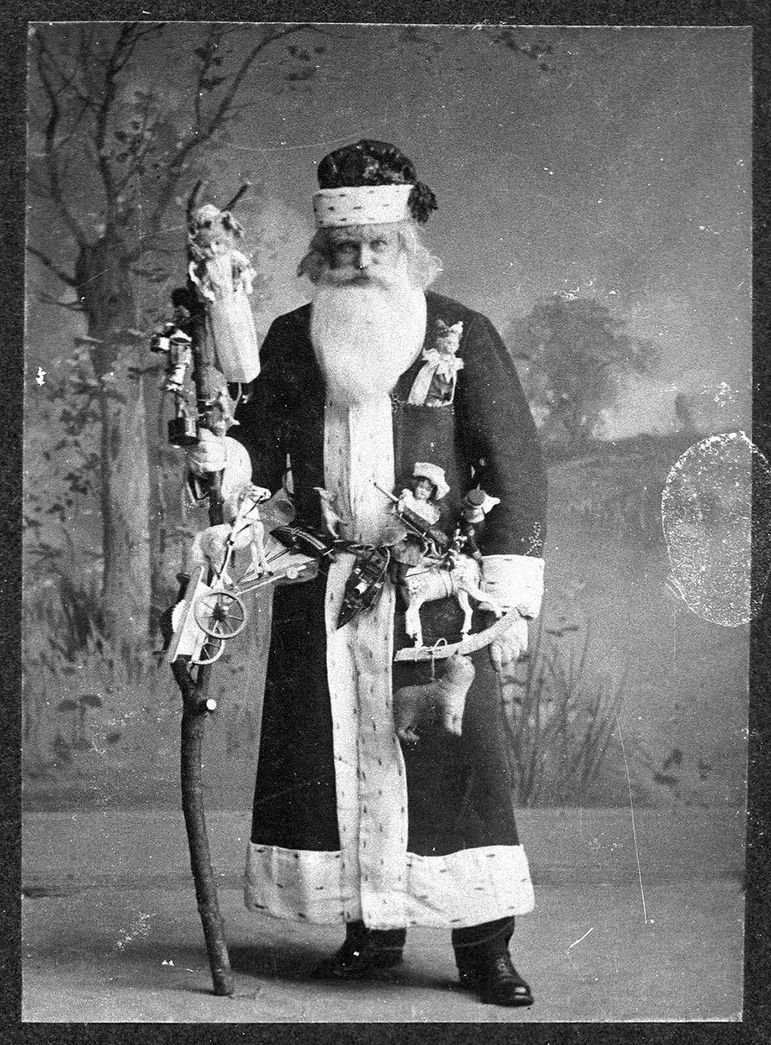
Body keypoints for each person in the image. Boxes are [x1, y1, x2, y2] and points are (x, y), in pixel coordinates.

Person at [188, 140, 547, 1007]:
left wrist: (506, 590)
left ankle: (483, 949)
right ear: (320, 255)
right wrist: (221, 458)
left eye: (375, 246)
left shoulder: (462, 333)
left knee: (450, 764)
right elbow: (258, 460)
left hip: (433, 593)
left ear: (406, 246)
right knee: (334, 756)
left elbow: (514, 465)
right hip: (326, 589)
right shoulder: (286, 339)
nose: (358, 264)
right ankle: (370, 933)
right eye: (342, 250)